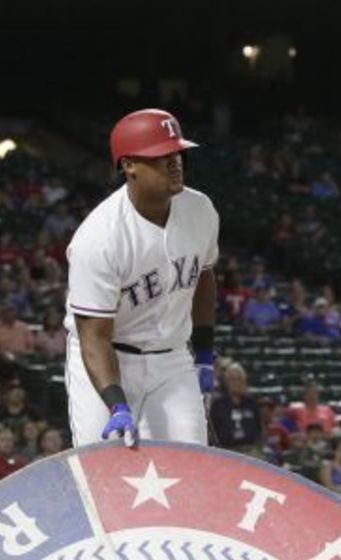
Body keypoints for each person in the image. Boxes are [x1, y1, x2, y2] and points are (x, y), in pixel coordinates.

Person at [63, 109, 218, 447]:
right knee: (103, 468)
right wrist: (117, 403)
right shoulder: (99, 238)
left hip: (173, 358)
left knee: (191, 465)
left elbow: (204, 280)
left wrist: (204, 355)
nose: (175, 162)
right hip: (109, 358)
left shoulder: (200, 210)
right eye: (161, 156)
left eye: (177, 152)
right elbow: (94, 338)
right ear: (129, 165)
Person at [210, 363, 260, 454]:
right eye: (232, 379)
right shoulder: (218, 404)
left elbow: (259, 427)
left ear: (244, 381)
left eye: (239, 379)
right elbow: (212, 430)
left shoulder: (251, 402)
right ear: (226, 382)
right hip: (226, 451)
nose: (236, 383)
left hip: (250, 449)